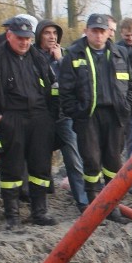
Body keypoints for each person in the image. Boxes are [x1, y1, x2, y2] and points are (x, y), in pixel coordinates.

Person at [58, 13, 132, 223]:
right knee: (91, 162)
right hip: (88, 117)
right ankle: (94, 209)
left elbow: (131, 84)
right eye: (94, 31)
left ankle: (113, 208)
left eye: (102, 31)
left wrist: (127, 106)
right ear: (86, 31)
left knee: (113, 162)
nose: (98, 35)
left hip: (115, 115)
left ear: (107, 33)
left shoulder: (119, 53)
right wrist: (76, 112)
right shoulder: (74, 54)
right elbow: (65, 89)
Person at [0, 16, 58, 229]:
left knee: (41, 168)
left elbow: (54, 88)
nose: (24, 42)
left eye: (28, 38)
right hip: (11, 119)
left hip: (40, 119)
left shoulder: (39, 58)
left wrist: (51, 118)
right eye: (19, 38)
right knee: (11, 170)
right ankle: (12, 216)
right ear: (9, 36)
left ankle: (39, 212)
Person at [35, 19, 89, 212]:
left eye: (54, 33)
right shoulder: (32, 56)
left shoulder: (65, 56)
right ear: (39, 35)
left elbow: (76, 81)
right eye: (47, 33)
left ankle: (83, 202)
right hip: (41, 117)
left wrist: (60, 61)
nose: (52, 37)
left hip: (64, 116)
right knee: (38, 160)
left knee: (74, 160)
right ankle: (38, 205)